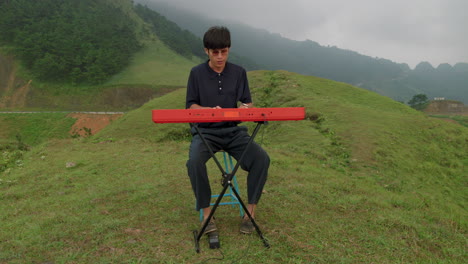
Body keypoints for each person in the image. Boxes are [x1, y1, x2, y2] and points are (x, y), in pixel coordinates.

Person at [186, 26, 270, 234]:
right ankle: (207, 215)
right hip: (206, 133)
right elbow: (191, 106)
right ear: (206, 51)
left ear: (229, 49)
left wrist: (244, 108)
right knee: (194, 162)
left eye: (224, 51)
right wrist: (208, 111)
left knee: (261, 159)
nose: (220, 56)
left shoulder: (239, 72)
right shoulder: (196, 73)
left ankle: (250, 212)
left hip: (233, 132)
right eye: (215, 52)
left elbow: (247, 103)